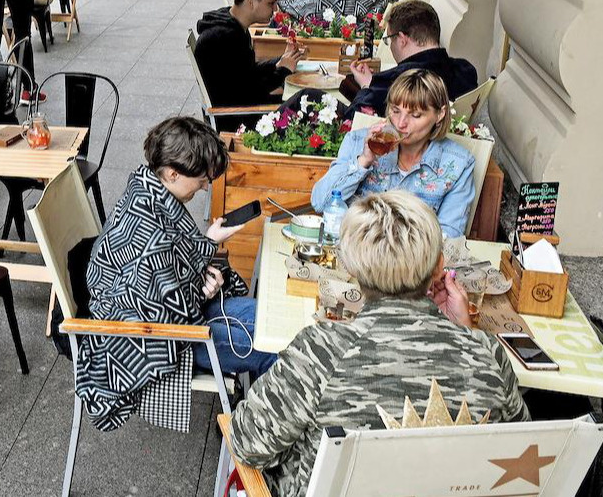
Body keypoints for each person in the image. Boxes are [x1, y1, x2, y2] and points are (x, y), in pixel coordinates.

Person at [230, 190, 527, 497]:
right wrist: (465, 335)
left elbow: (248, 443)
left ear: (352, 269)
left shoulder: (321, 352)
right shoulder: (488, 353)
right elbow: (518, 448)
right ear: (440, 266)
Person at [77, 117, 275, 434]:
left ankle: (260, 422)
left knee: (275, 323)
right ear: (172, 173)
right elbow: (164, 312)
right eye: (201, 179)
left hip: (168, 320)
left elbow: (167, 272)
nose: (206, 185)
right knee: (277, 347)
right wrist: (204, 291)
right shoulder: (147, 233)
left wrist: (208, 242)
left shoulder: (146, 192)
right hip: (157, 339)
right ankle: (255, 435)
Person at [312, 69, 476, 237]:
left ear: (439, 115)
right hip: (357, 253)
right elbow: (320, 202)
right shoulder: (357, 141)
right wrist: (364, 160)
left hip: (416, 260)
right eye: (396, 111)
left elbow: (449, 236)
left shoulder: (457, 164)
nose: (400, 123)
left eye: (416, 115)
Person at [195, 0, 303, 124]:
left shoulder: (231, 24)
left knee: (302, 95)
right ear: (251, 2)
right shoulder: (224, 38)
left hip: (239, 105)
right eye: (270, 3)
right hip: (235, 117)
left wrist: (280, 62)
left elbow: (245, 74)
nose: (275, 8)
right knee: (305, 101)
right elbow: (250, 91)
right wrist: (283, 71)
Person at [347, 0, 477, 117]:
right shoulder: (465, 71)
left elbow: (351, 121)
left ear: (402, 39)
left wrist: (366, 87)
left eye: (390, 40)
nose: (391, 46)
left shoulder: (394, 82)